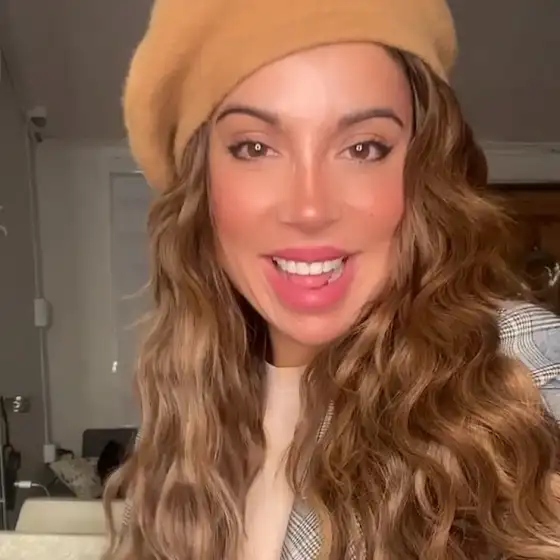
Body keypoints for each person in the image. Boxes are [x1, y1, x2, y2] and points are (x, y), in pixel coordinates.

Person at [103, 0, 560, 558]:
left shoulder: (515, 368)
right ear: (203, 188)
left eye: (363, 148)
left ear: (421, 173)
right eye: (255, 148)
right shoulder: (184, 413)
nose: (310, 208)